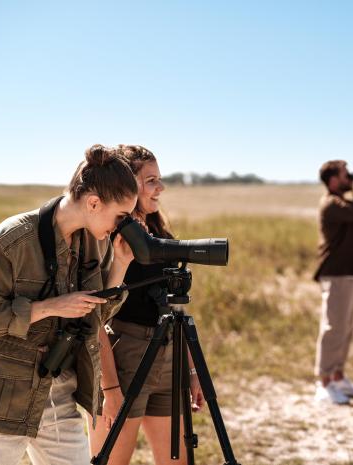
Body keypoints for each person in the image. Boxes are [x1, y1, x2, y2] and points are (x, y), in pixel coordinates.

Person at [0, 144, 138, 465]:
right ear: (94, 203)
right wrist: (51, 307)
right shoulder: (14, 238)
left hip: (57, 394)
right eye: (121, 215)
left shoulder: (94, 242)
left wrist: (120, 264)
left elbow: (93, 315)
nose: (122, 225)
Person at [87, 145, 203, 465]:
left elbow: (174, 306)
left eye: (160, 179)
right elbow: (94, 320)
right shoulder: (105, 236)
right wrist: (109, 388)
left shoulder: (158, 230)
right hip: (124, 355)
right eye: (151, 180)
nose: (160, 188)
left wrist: (192, 370)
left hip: (168, 354)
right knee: (111, 459)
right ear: (126, 184)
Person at [313, 160, 353, 405]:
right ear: (332, 180)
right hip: (336, 273)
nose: (348, 178)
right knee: (333, 329)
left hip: (347, 273)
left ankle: (338, 376)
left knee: (345, 328)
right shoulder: (331, 204)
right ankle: (324, 382)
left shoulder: (340, 202)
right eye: (344, 175)